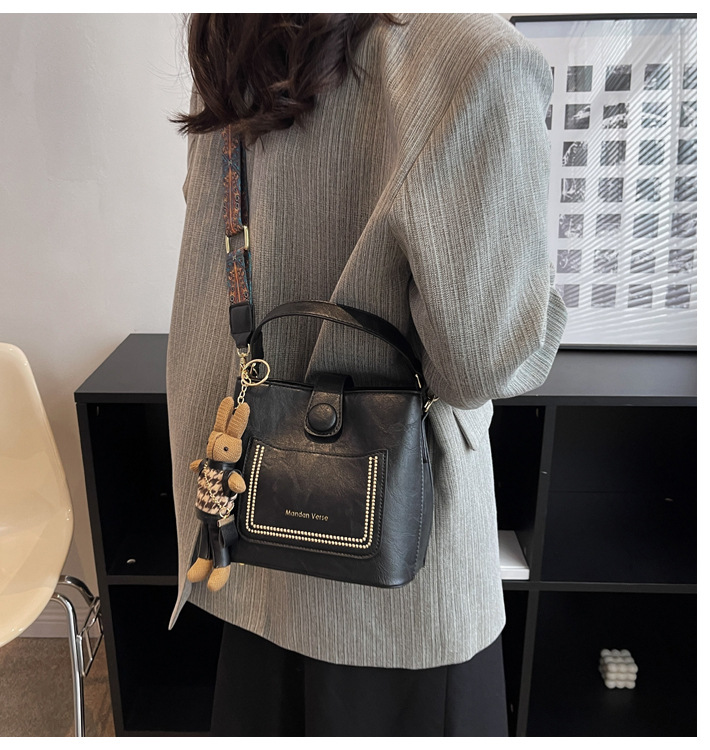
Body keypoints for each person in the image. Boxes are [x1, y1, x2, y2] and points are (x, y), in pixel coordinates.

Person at [166, 13, 566, 737]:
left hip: (253, 543)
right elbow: (479, 362)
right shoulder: (474, 60)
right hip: (398, 594)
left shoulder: (239, 49)